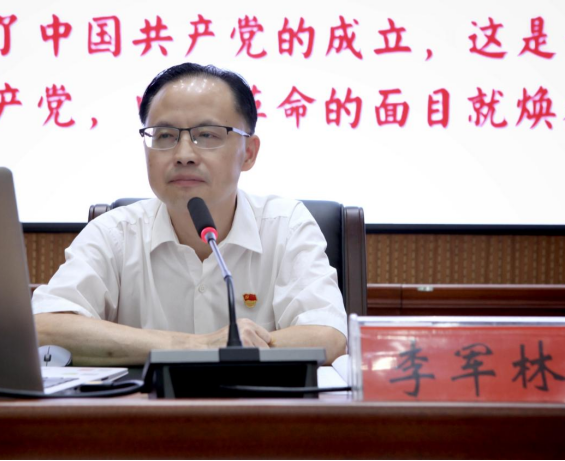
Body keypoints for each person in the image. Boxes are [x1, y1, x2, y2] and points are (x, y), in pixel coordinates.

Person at [33, 63, 347, 366]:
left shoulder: (286, 226)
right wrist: (199, 346)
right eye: (165, 135)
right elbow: (43, 329)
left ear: (249, 153)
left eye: (207, 135)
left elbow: (327, 336)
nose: (184, 155)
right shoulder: (114, 233)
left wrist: (220, 349)